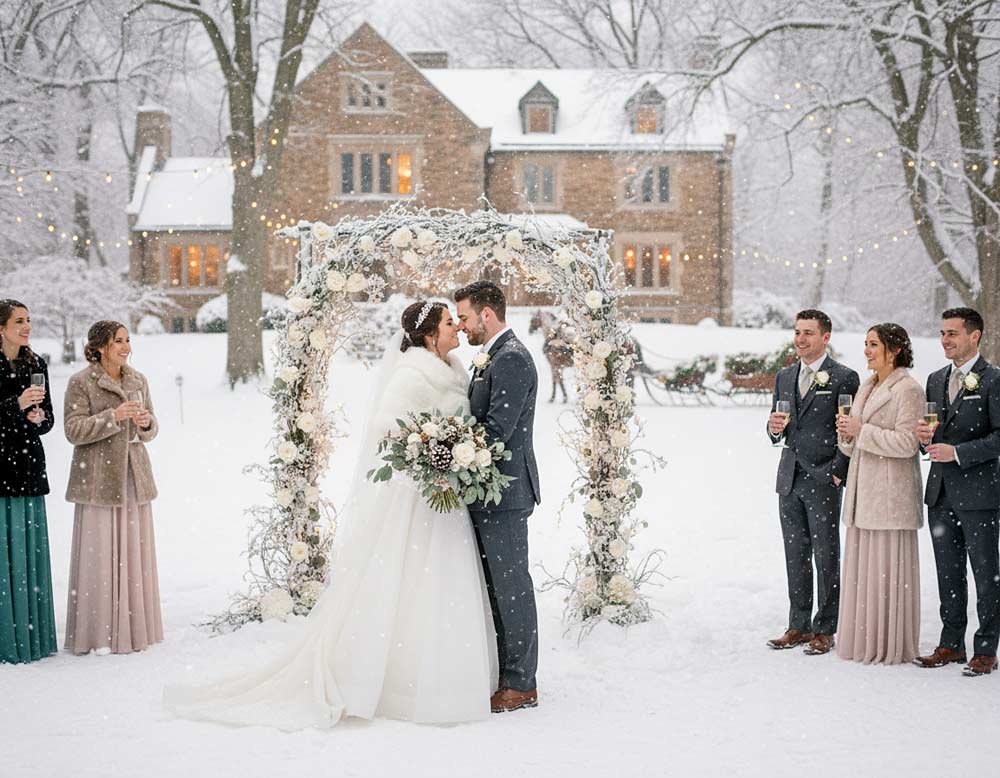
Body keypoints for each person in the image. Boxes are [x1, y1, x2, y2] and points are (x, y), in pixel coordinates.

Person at [165, 301, 497, 728]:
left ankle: (448, 677)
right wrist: (431, 450)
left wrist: (452, 449)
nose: (456, 329)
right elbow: (387, 425)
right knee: (413, 580)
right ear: (430, 335)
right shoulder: (413, 373)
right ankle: (401, 682)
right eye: (450, 323)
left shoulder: (452, 368)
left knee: (444, 582)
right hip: (417, 498)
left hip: (444, 496)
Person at [455, 281, 541, 713]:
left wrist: (446, 452)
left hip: (504, 493)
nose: (462, 325)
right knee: (497, 590)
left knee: (512, 588)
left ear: (486, 315)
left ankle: (522, 683)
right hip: (488, 493)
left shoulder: (511, 360)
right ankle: (507, 675)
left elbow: (495, 433)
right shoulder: (494, 357)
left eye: (465, 317)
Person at [63, 320, 163, 655]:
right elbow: (74, 430)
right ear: (101, 347)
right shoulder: (81, 382)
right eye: (118, 341)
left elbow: (151, 427)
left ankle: (134, 627)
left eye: (127, 340)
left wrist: (147, 424)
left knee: (134, 553)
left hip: (134, 475)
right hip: (98, 479)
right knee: (100, 553)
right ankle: (98, 631)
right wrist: (114, 417)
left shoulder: (138, 379)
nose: (126, 347)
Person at [766, 309, 860, 655]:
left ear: (825, 337)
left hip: (824, 478)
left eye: (808, 333)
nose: (801, 339)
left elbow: (848, 431)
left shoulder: (843, 377)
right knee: (795, 554)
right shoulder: (785, 375)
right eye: (797, 332)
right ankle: (798, 624)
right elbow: (778, 424)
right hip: (789, 477)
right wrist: (774, 429)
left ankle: (825, 627)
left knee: (826, 554)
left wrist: (838, 471)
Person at [914, 307, 1000, 677]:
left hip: (980, 495)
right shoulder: (935, 380)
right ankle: (951, 643)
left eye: (953, 333)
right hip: (941, 493)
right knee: (948, 573)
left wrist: (959, 453)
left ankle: (985, 648)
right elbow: (934, 431)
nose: (945, 340)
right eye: (943, 333)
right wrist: (925, 440)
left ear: (974, 336)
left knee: (985, 573)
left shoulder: (993, 380)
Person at [835, 324, 922, 664]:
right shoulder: (866, 386)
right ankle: (863, 640)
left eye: (874, 345)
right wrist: (847, 436)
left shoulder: (908, 390)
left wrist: (862, 431)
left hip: (890, 494)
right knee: (864, 570)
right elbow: (854, 441)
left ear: (895, 349)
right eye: (866, 344)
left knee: (886, 569)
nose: (867, 351)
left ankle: (889, 644)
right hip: (863, 491)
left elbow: (907, 443)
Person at [0, 299, 58, 664]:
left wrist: (38, 417)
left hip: (28, 469)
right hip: (1, 471)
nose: (27, 326)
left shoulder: (37, 364)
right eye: (19, 321)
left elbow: (48, 419)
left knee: (29, 558)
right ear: (1, 328)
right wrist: (15, 405)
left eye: (29, 320)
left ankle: (31, 636)